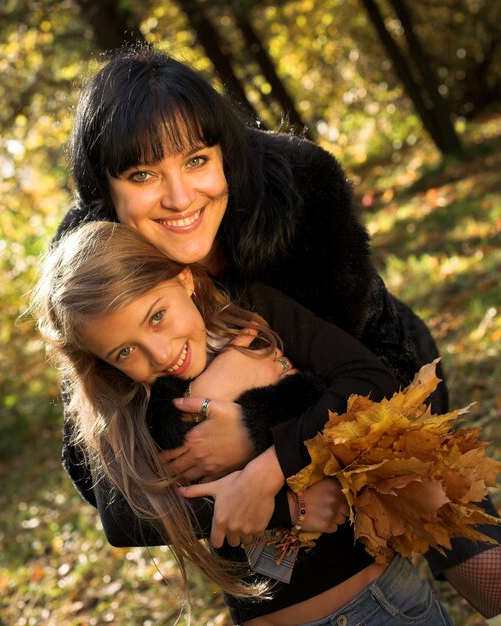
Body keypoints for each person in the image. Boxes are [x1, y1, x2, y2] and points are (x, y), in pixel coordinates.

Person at [55, 45, 500, 617]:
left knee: (476, 557)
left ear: (224, 155)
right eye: (143, 175)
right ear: (104, 191)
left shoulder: (297, 188)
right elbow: (108, 490)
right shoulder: (92, 268)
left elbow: (381, 366)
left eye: (196, 161)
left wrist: (259, 435)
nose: (179, 197)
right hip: (271, 528)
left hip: (378, 414)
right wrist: (270, 497)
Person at [33, 220, 453, 625]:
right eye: (124, 352)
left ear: (184, 280)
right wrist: (282, 507)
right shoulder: (129, 400)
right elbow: (125, 519)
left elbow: (371, 382)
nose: (158, 355)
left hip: (372, 607)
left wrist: (266, 458)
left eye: (156, 316)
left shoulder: (254, 311)